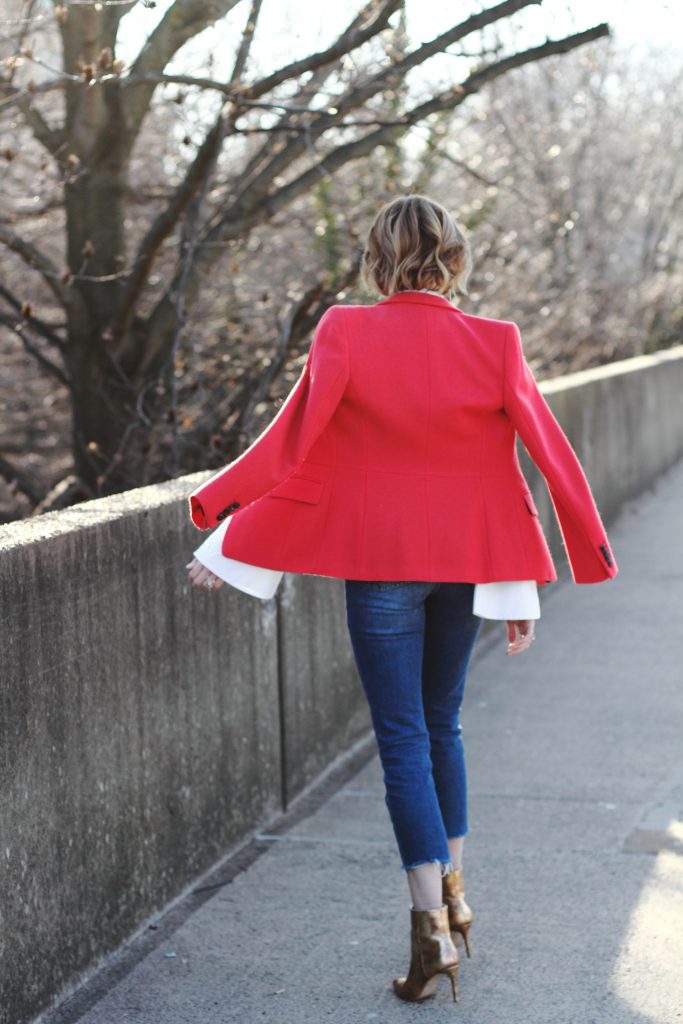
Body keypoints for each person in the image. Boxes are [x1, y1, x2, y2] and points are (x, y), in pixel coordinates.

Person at [185, 194, 618, 1004]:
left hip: (381, 563)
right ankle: (455, 895)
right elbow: (543, 456)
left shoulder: (346, 329)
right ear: (454, 258)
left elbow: (292, 443)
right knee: (440, 723)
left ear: (377, 259)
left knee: (401, 737)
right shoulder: (495, 341)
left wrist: (220, 519)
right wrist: (556, 565)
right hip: (465, 562)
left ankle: (428, 930)